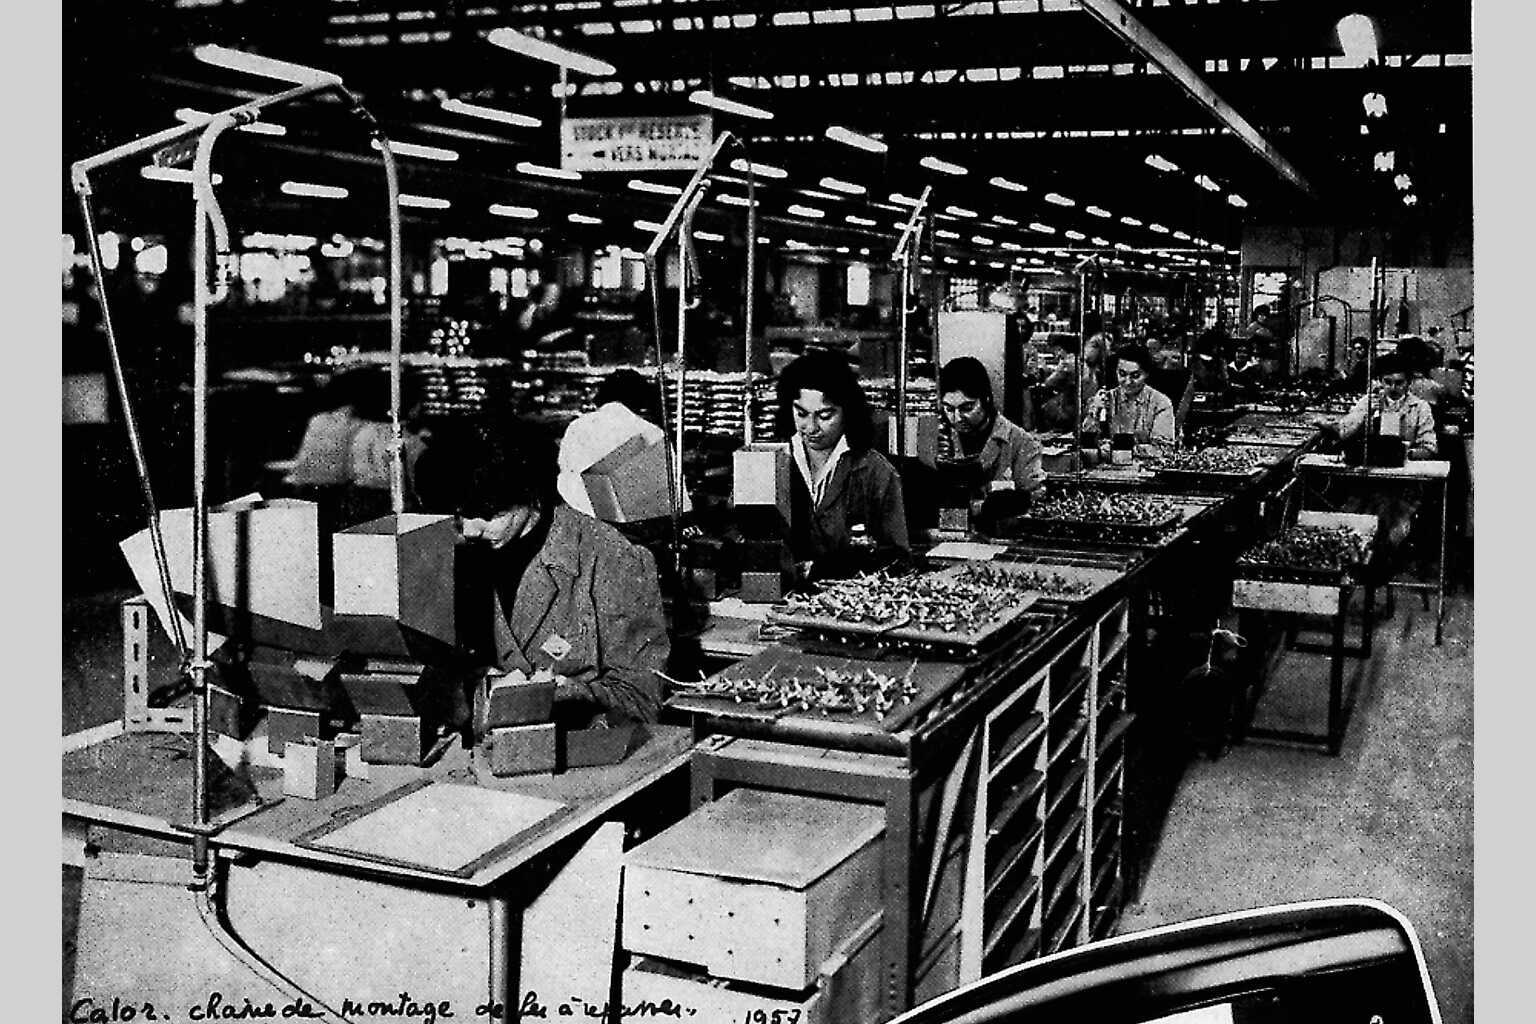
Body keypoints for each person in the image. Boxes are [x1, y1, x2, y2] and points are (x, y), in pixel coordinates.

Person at [413, 419, 669, 725]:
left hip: (573, 750)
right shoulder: (451, 552)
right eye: (459, 515)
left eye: (487, 515)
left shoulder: (611, 559)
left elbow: (642, 699)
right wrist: (472, 684)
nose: (470, 530)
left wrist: (568, 693)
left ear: (531, 496)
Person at [774, 350, 909, 579]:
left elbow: (899, 560)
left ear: (848, 411)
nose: (811, 427)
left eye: (825, 415)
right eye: (801, 413)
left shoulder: (876, 472)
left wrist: (828, 568)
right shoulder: (773, 461)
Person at [938, 356, 1046, 498]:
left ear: (986, 399)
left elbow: (1034, 500)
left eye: (967, 408)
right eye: (949, 409)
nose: (957, 418)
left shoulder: (1023, 444)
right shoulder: (938, 439)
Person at [1323, 353, 1438, 461]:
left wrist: (1404, 453)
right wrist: (1365, 415)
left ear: (1409, 383)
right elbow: (1344, 434)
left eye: (1399, 383)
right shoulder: (1368, 402)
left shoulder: (1420, 408)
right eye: (1387, 382)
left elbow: (1430, 447)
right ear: (1380, 381)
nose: (1393, 388)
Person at [1082, 345, 1176, 457]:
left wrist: (1119, 448)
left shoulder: (1161, 403)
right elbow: (1086, 443)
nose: (1127, 382)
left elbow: (1164, 449)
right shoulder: (1106, 398)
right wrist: (1094, 412)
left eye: (1135, 376)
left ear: (1146, 374)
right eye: (1122, 374)